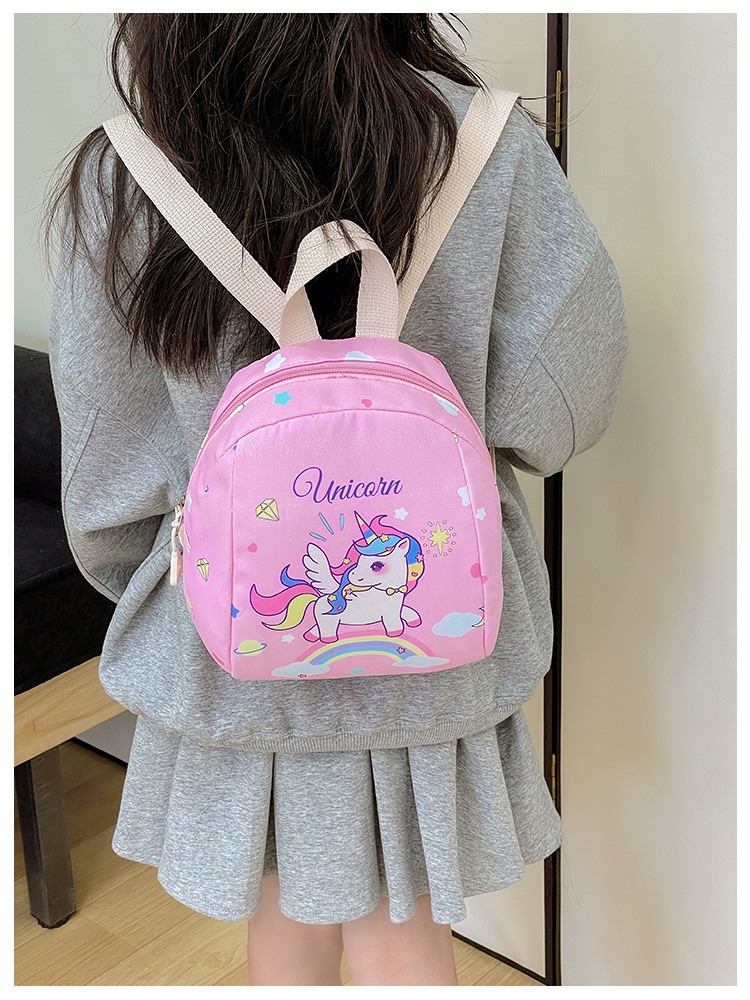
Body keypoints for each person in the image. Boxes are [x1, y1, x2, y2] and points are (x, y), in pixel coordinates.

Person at [43, 13, 628, 988]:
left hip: (230, 654)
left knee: (284, 924)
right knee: (408, 937)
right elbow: (562, 402)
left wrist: (172, 578)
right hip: (437, 650)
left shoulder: (128, 172)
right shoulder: (485, 143)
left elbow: (105, 468)